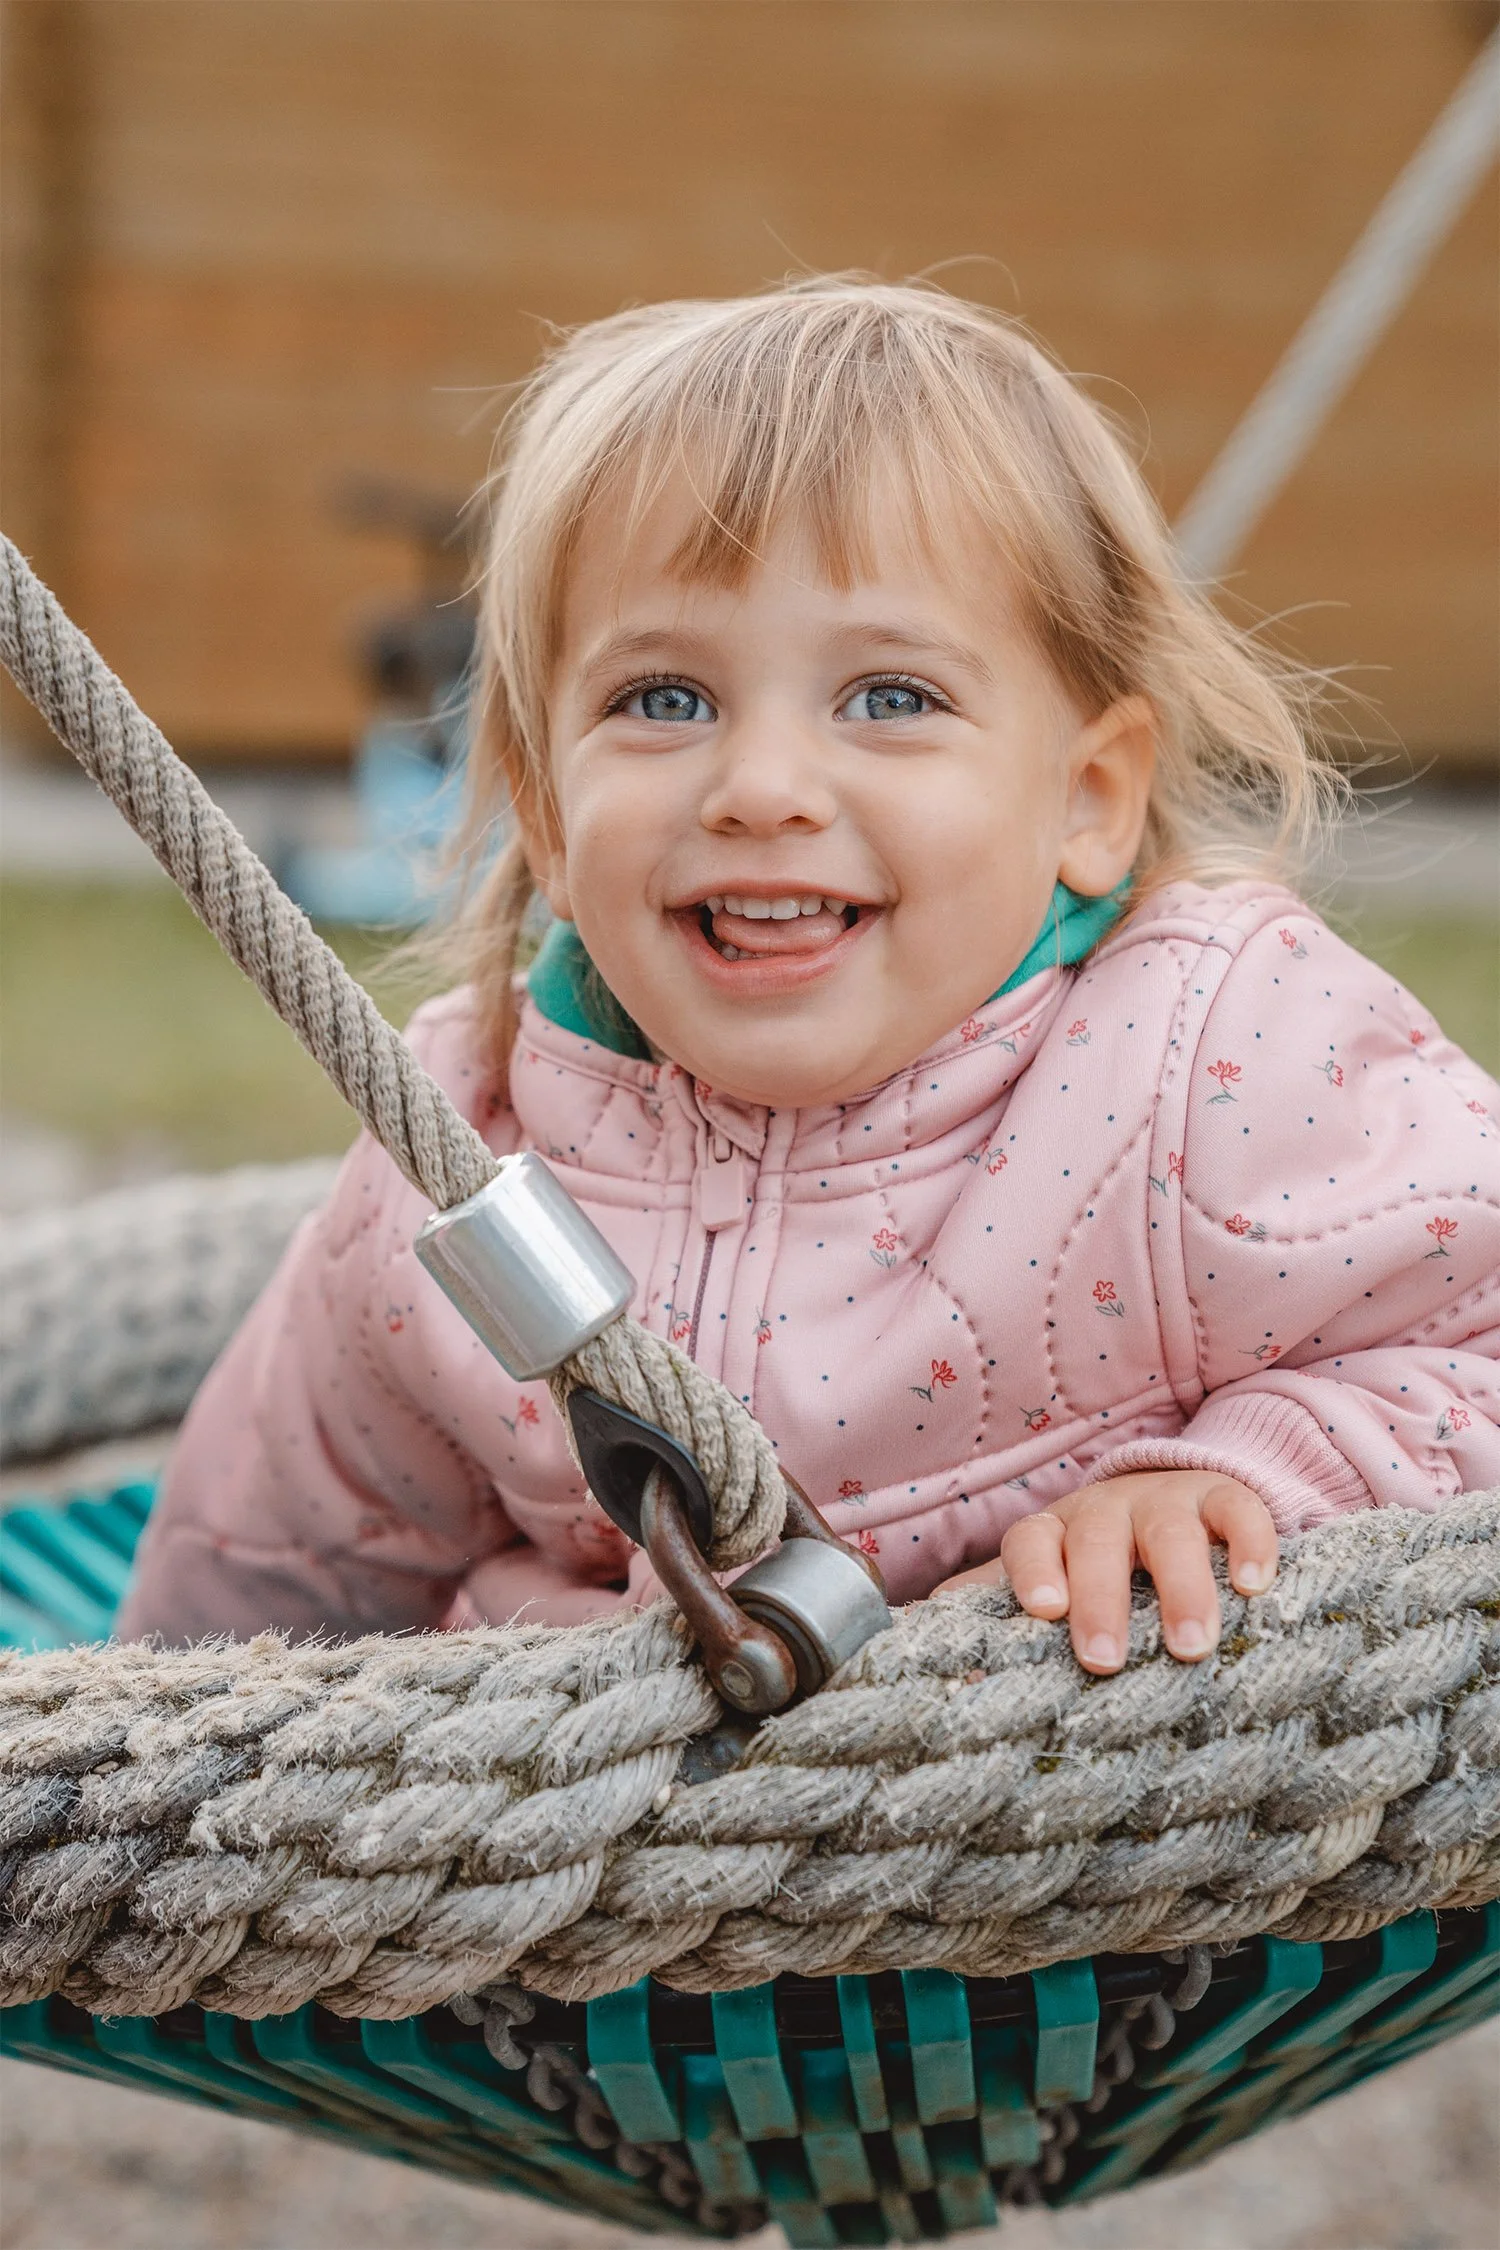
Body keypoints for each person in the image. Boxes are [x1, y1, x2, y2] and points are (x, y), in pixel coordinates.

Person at [118, 278, 1499, 1675]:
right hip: (571, 1781)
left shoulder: (1211, 1061)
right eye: (664, 699)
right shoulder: (464, 1154)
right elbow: (265, 1556)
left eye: (890, 698)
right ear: (545, 815)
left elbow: (1470, 1348)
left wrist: (1244, 1475)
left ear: (1088, 797)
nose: (763, 786)